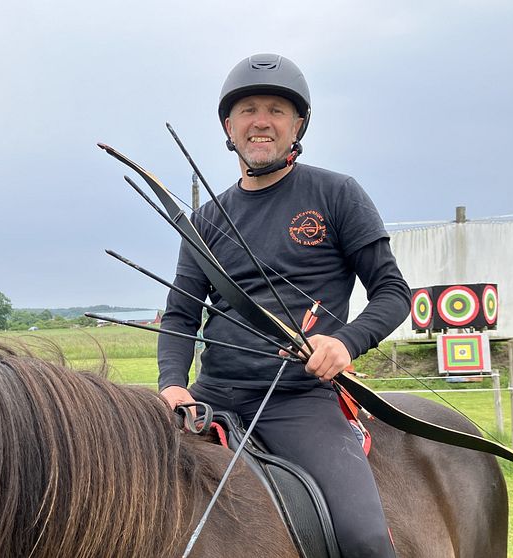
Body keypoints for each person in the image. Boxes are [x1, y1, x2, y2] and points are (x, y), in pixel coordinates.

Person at [158, 53, 410, 558]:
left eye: (276, 110)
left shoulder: (337, 194)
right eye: (248, 110)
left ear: (298, 125)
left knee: (363, 539)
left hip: (299, 399)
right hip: (214, 395)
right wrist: (172, 385)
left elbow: (392, 291)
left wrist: (344, 343)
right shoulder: (206, 220)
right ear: (229, 127)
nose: (261, 121)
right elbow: (182, 315)